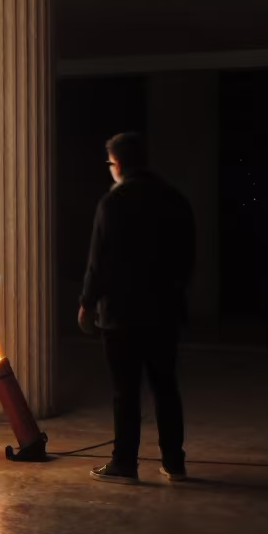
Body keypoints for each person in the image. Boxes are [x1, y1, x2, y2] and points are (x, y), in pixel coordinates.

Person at [79, 132, 195, 483]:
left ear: (118, 164)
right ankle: (174, 462)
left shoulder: (113, 202)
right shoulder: (174, 199)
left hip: (122, 315)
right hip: (164, 311)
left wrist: (87, 303)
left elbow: (98, 261)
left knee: (125, 392)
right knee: (165, 387)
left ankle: (124, 462)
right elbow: (187, 255)